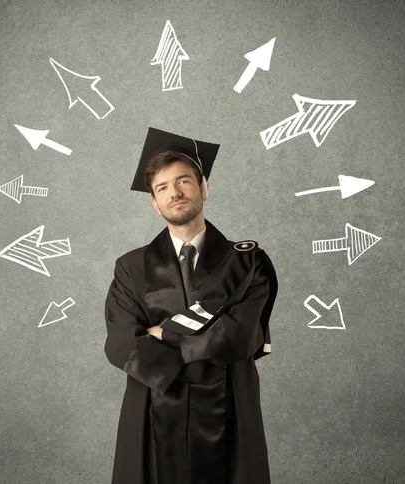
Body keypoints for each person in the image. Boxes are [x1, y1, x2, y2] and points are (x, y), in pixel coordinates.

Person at [104, 127, 279, 484]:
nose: (175, 193)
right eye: (162, 187)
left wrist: (160, 333)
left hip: (227, 405)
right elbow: (120, 343)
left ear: (204, 188)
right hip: (153, 409)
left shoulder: (247, 262)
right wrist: (197, 342)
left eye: (183, 181)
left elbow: (240, 336)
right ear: (154, 202)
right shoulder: (131, 267)